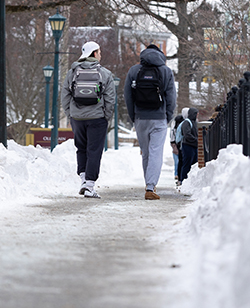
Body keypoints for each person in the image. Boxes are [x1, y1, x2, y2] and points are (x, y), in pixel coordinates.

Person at [61, 41, 116, 198]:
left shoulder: (72, 72)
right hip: (97, 117)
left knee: (81, 148)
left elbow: (65, 94)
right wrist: (106, 116)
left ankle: (83, 180)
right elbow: (110, 98)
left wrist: (70, 113)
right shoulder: (104, 73)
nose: (100, 54)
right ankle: (90, 185)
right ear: (93, 54)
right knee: (94, 150)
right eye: (99, 52)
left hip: (77, 118)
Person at [124, 44, 176, 200]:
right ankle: (150, 186)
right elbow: (171, 97)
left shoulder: (134, 71)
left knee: (146, 153)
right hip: (159, 118)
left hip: (140, 118)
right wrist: (167, 116)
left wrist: (134, 116)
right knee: (156, 152)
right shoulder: (166, 71)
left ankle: (149, 184)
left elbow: (128, 95)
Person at [178, 107, 198, 185]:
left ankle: (189, 180)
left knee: (193, 163)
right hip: (188, 145)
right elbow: (187, 134)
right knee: (187, 163)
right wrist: (196, 140)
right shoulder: (187, 122)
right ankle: (183, 180)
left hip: (193, 145)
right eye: (196, 113)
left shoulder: (194, 122)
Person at [170, 114, 184, 182]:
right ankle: (178, 174)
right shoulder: (181, 126)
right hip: (179, 144)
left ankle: (176, 174)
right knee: (180, 160)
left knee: (177, 161)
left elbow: (172, 136)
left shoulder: (174, 127)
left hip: (174, 144)